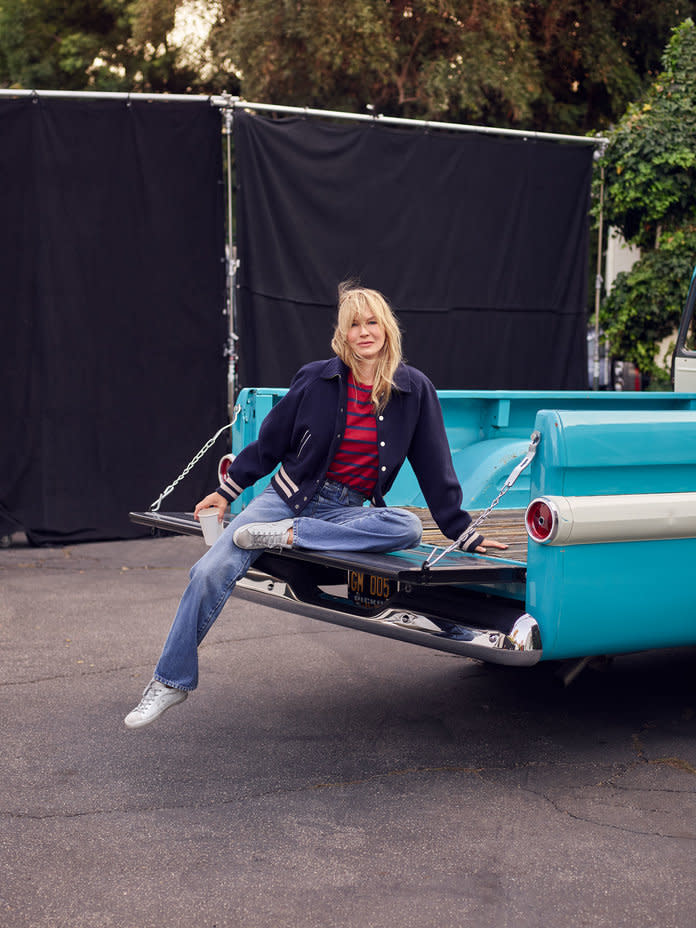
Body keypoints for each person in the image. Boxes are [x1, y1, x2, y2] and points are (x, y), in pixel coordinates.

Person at [124, 284, 507, 729]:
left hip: (344, 512)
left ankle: (288, 537)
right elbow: (270, 443)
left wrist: (465, 534)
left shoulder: (413, 389)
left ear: (387, 327)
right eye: (354, 325)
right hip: (286, 497)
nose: (364, 332)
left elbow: (435, 469)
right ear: (342, 334)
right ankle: (170, 682)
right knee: (208, 570)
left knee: (406, 526)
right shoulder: (317, 379)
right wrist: (228, 491)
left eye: (372, 322)